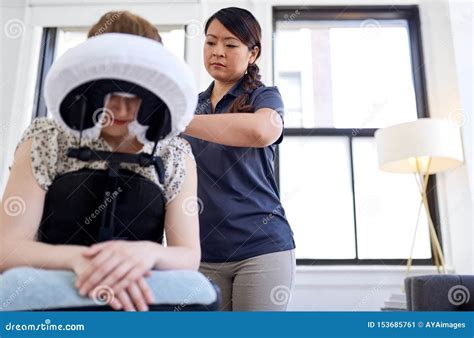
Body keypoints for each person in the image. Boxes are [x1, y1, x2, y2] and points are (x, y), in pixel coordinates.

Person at [0, 11, 200, 312]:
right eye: (111, 92)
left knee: (200, 293)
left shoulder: (174, 153)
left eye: (135, 94)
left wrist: (145, 255)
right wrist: (79, 261)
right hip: (56, 279)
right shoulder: (46, 137)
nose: (121, 107)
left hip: (139, 280)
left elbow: (188, 256)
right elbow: (7, 248)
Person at [182, 7, 296, 311]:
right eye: (210, 42)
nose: (217, 52)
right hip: (202, 252)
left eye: (230, 44)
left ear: (252, 53)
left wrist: (179, 120)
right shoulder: (193, 105)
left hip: (262, 248)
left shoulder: (265, 97)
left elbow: (262, 131)